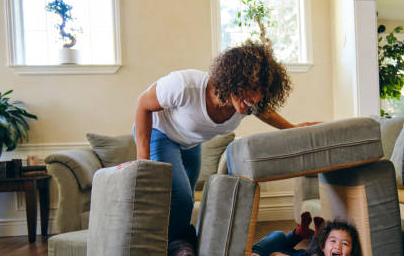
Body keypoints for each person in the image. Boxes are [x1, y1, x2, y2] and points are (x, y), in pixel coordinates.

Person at [134, 41, 319, 242]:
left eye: (261, 92)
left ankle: (179, 246)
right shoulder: (185, 85)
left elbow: (266, 113)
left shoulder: (248, 103)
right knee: (182, 199)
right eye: (252, 89)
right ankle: (170, 250)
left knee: (182, 201)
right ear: (233, 79)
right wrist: (143, 161)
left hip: (190, 144)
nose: (255, 98)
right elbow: (143, 104)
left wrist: (292, 129)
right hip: (160, 133)